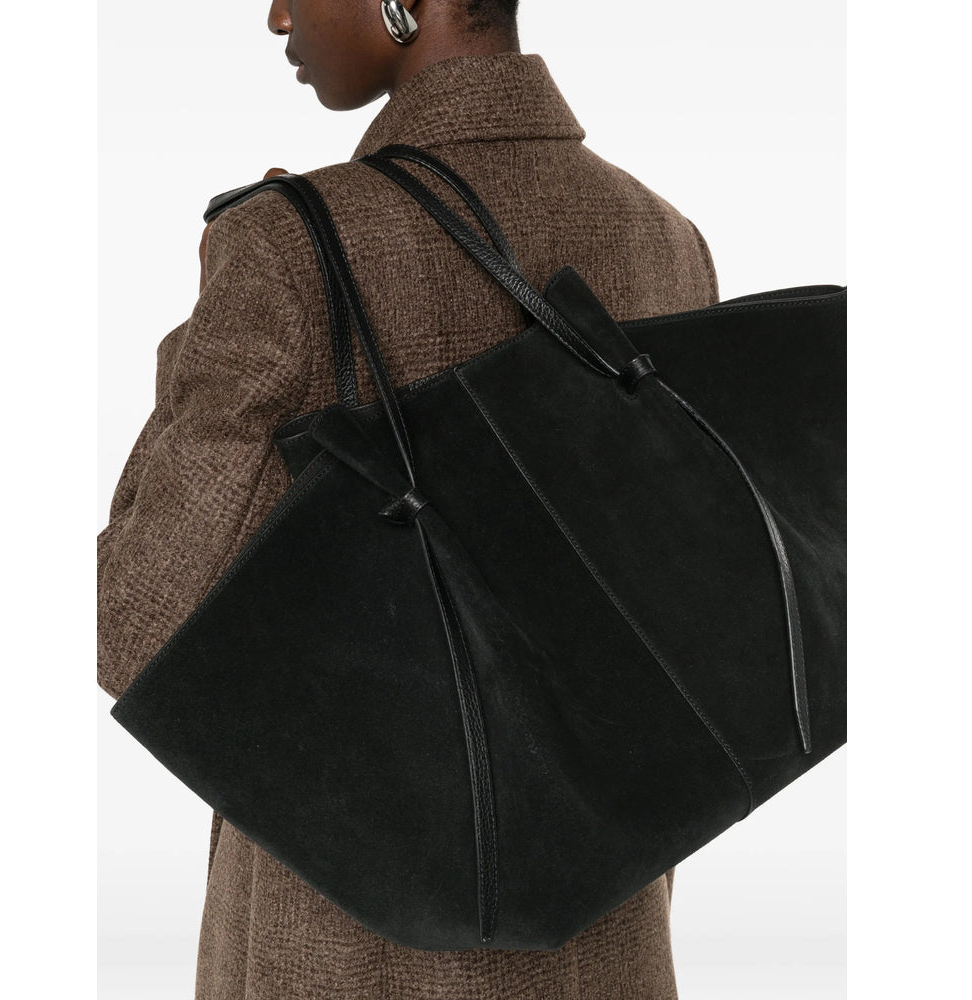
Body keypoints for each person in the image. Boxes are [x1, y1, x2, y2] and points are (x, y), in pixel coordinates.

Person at [97, 1, 719, 997]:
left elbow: (139, 625)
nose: (276, 14)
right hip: (602, 941)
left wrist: (212, 312)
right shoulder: (666, 238)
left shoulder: (289, 246)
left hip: (342, 947)